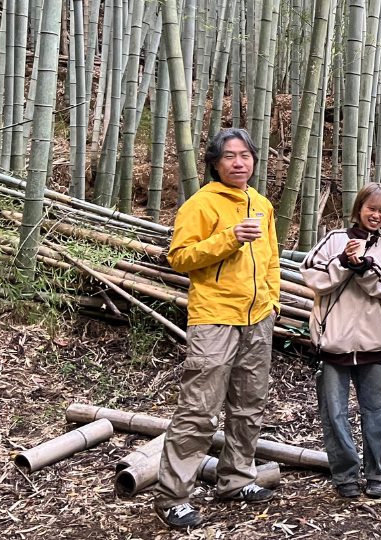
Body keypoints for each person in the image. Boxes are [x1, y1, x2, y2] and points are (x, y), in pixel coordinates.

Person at [154, 128, 280, 529]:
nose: (239, 163)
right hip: (214, 318)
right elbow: (180, 258)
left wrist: (272, 303)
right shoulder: (201, 204)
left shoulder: (262, 204)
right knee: (199, 409)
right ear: (214, 163)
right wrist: (229, 238)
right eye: (230, 156)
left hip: (258, 318)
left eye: (245, 155)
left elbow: (271, 260)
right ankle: (173, 497)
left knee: (248, 405)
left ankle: (236, 479)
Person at [300, 183, 381, 500]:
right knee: (334, 414)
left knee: (376, 413)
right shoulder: (335, 239)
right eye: (371, 208)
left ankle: (377, 474)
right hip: (334, 341)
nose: (376, 215)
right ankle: (345, 474)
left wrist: (365, 267)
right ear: (359, 208)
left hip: (373, 344)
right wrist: (344, 262)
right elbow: (311, 275)